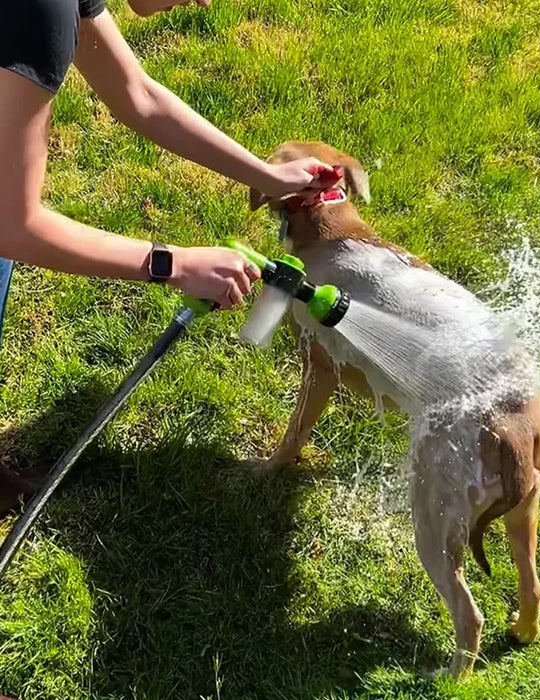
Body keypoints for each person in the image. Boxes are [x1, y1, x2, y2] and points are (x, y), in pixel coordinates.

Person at [0, 0, 335, 513]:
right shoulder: (36, 13)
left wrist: (268, 177)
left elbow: (139, 96)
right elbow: (11, 225)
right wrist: (175, 264)